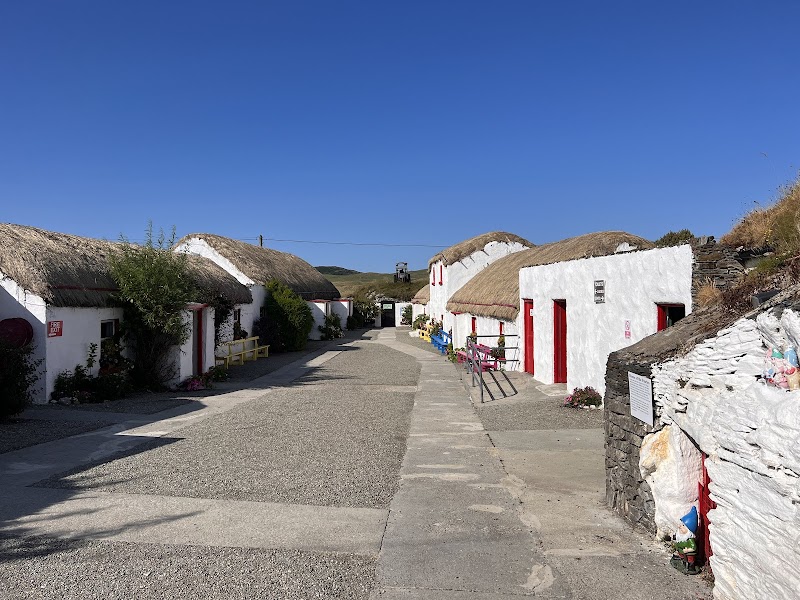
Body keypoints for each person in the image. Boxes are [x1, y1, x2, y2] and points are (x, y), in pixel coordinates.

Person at [670, 506, 701, 575]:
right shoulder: (681, 536)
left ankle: (691, 567)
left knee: (690, 559)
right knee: (682, 556)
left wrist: (687, 550)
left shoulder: (689, 539)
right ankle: (682, 561)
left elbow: (694, 547)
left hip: (688, 553)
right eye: (681, 525)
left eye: (683, 526)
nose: (680, 527)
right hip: (681, 551)